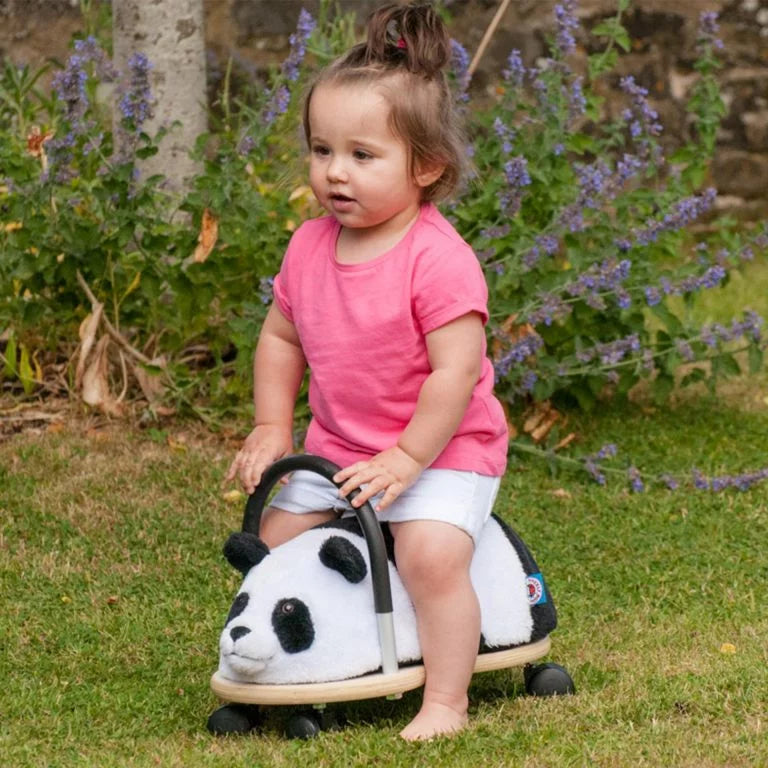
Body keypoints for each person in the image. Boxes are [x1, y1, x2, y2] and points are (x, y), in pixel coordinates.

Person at [226, 1, 508, 741]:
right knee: (275, 541)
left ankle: (446, 698)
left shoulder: (438, 261)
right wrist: (271, 424)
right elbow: (280, 338)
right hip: (342, 449)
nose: (334, 172)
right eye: (322, 150)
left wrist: (408, 458)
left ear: (427, 166)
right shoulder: (308, 247)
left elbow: (454, 375)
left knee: (429, 556)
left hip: (442, 451)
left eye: (362, 155)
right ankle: (297, 653)